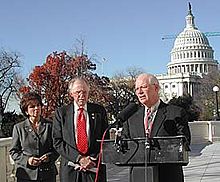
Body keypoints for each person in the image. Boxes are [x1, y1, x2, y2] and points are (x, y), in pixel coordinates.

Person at [122, 73, 191, 182]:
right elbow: (125, 146)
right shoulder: (130, 117)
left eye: (143, 87)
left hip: (168, 176)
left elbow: (184, 143)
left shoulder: (176, 113)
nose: (139, 92)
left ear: (156, 88)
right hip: (138, 176)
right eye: (136, 89)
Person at [52, 77, 109, 182]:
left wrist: (91, 159)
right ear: (71, 94)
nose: (82, 95)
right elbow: (57, 141)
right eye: (78, 92)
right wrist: (79, 159)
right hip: (70, 169)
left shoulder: (99, 111)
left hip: (93, 167)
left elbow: (105, 139)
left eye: (85, 92)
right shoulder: (61, 113)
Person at [9, 92, 59, 182]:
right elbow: (14, 152)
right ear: (26, 111)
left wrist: (49, 157)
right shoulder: (18, 128)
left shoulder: (50, 125)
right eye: (32, 106)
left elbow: (57, 148)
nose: (36, 108)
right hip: (26, 176)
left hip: (47, 175)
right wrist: (27, 160)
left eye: (38, 105)